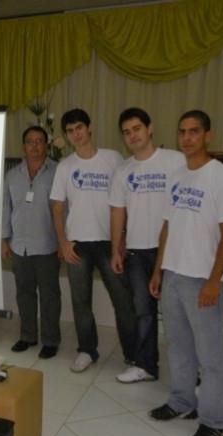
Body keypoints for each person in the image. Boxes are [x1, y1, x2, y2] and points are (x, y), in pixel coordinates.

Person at [148, 110, 223, 436]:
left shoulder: (222, 179)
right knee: (178, 346)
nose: (187, 138)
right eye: (182, 131)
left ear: (207, 135)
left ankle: (215, 423)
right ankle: (181, 400)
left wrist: (215, 281)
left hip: (203, 278)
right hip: (173, 274)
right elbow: (168, 227)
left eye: (194, 132)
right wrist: (158, 270)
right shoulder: (176, 176)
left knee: (211, 356)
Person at [50, 108, 136, 373]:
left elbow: (125, 201)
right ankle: (87, 350)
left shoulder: (113, 159)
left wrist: (121, 240)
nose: (75, 134)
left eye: (79, 128)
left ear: (89, 128)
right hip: (77, 245)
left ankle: (133, 355)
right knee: (80, 302)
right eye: (70, 130)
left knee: (123, 300)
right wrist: (63, 243)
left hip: (109, 244)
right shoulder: (65, 166)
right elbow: (56, 206)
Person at [109, 108, 186, 383]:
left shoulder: (176, 161)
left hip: (174, 250)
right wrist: (116, 248)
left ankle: (192, 372)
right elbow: (118, 211)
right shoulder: (123, 171)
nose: (132, 135)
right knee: (143, 311)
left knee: (180, 314)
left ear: (150, 128)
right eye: (127, 132)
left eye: (137, 128)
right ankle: (146, 366)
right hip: (137, 251)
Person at [2, 126, 61, 358]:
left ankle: (51, 339)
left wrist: (64, 243)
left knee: (49, 295)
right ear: (23, 146)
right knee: (24, 292)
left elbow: (63, 209)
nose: (35, 146)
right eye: (30, 142)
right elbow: (6, 208)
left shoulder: (58, 172)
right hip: (20, 245)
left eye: (39, 141)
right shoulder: (12, 175)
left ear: (46, 145)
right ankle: (27, 336)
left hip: (48, 244)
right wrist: (4, 240)